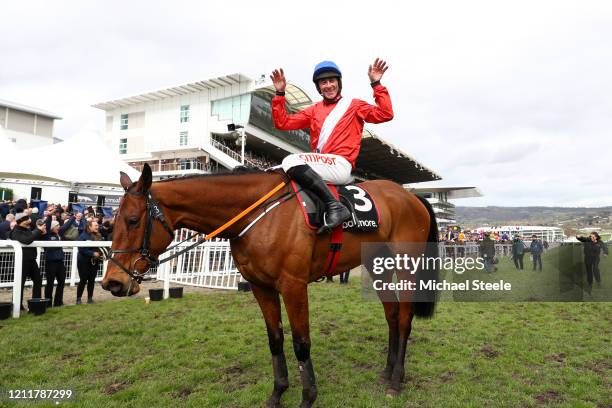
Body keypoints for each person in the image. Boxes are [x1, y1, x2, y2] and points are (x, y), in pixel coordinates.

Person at [270, 58, 393, 234]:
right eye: (323, 82)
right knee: (274, 170)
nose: (328, 85)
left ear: (338, 83)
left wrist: (376, 83)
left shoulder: (354, 105)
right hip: (321, 165)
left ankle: (335, 207)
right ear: (319, 87)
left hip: (340, 165)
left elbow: (385, 114)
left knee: (291, 160)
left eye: (331, 81)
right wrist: (280, 94)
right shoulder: (314, 110)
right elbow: (282, 123)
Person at [9, 212, 45, 309]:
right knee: (20, 284)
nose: (29, 220)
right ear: (22, 221)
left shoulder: (27, 229)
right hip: (21, 261)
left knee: (38, 280)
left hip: (31, 260)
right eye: (27, 218)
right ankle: (17, 306)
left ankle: (35, 304)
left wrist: (41, 232)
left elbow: (32, 238)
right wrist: (38, 231)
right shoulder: (15, 231)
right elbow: (27, 240)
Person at [41, 215, 76, 306]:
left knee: (61, 282)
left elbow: (66, 226)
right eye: (57, 226)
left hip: (60, 262)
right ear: (52, 227)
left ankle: (58, 302)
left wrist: (73, 218)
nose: (59, 227)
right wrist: (48, 216)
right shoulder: (47, 235)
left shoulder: (59, 233)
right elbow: (47, 225)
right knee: (50, 283)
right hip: (50, 262)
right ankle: (48, 303)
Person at [76, 220, 103, 304]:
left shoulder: (98, 236)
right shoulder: (83, 236)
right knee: (83, 280)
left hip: (94, 261)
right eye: (95, 226)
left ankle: (90, 298)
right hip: (83, 261)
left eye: (97, 226)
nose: (97, 227)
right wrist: (92, 253)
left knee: (92, 280)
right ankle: (78, 299)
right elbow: (81, 249)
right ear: (89, 227)